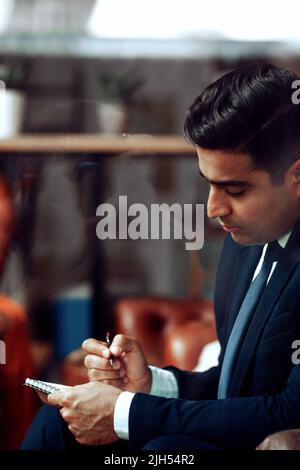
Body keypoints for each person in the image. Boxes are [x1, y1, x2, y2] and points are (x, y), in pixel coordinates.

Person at [21, 63, 300, 450]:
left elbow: (288, 412)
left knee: (165, 452)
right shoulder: (247, 242)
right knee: (59, 421)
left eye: (234, 190)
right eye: (209, 185)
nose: (213, 209)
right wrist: (150, 385)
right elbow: (234, 387)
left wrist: (123, 413)